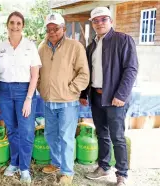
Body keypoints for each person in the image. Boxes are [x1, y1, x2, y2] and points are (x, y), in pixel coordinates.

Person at [81, 7, 138, 186]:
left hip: (115, 98)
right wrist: (84, 94)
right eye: (95, 21)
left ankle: (122, 174)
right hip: (97, 96)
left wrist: (121, 94)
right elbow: (87, 72)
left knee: (117, 137)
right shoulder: (91, 46)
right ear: (92, 24)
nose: (99, 23)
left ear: (111, 21)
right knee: (101, 134)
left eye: (103, 19)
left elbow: (131, 69)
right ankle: (103, 166)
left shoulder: (123, 40)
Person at [37, 13, 90, 185]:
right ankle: (56, 163)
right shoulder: (41, 48)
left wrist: (71, 90)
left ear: (64, 29)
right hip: (48, 101)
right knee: (51, 135)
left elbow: (84, 74)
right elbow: (36, 73)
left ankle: (67, 171)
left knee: (66, 137)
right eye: (49, 29)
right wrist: (41, 87)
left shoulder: (75, 46)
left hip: (68, 102)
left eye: (56, 28)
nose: (52, 32)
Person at [0, 11, 41, 184]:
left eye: (18, 23)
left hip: (24, 91)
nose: (15, 26)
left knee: (26, 131)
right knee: (12, 129)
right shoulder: (0, 47)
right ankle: (14, 163)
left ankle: (25, 167)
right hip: (3, 91)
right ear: (7, 25)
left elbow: (35, 74)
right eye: (12, 22)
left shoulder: (30, 46)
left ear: (23, 26)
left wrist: (28, 98)